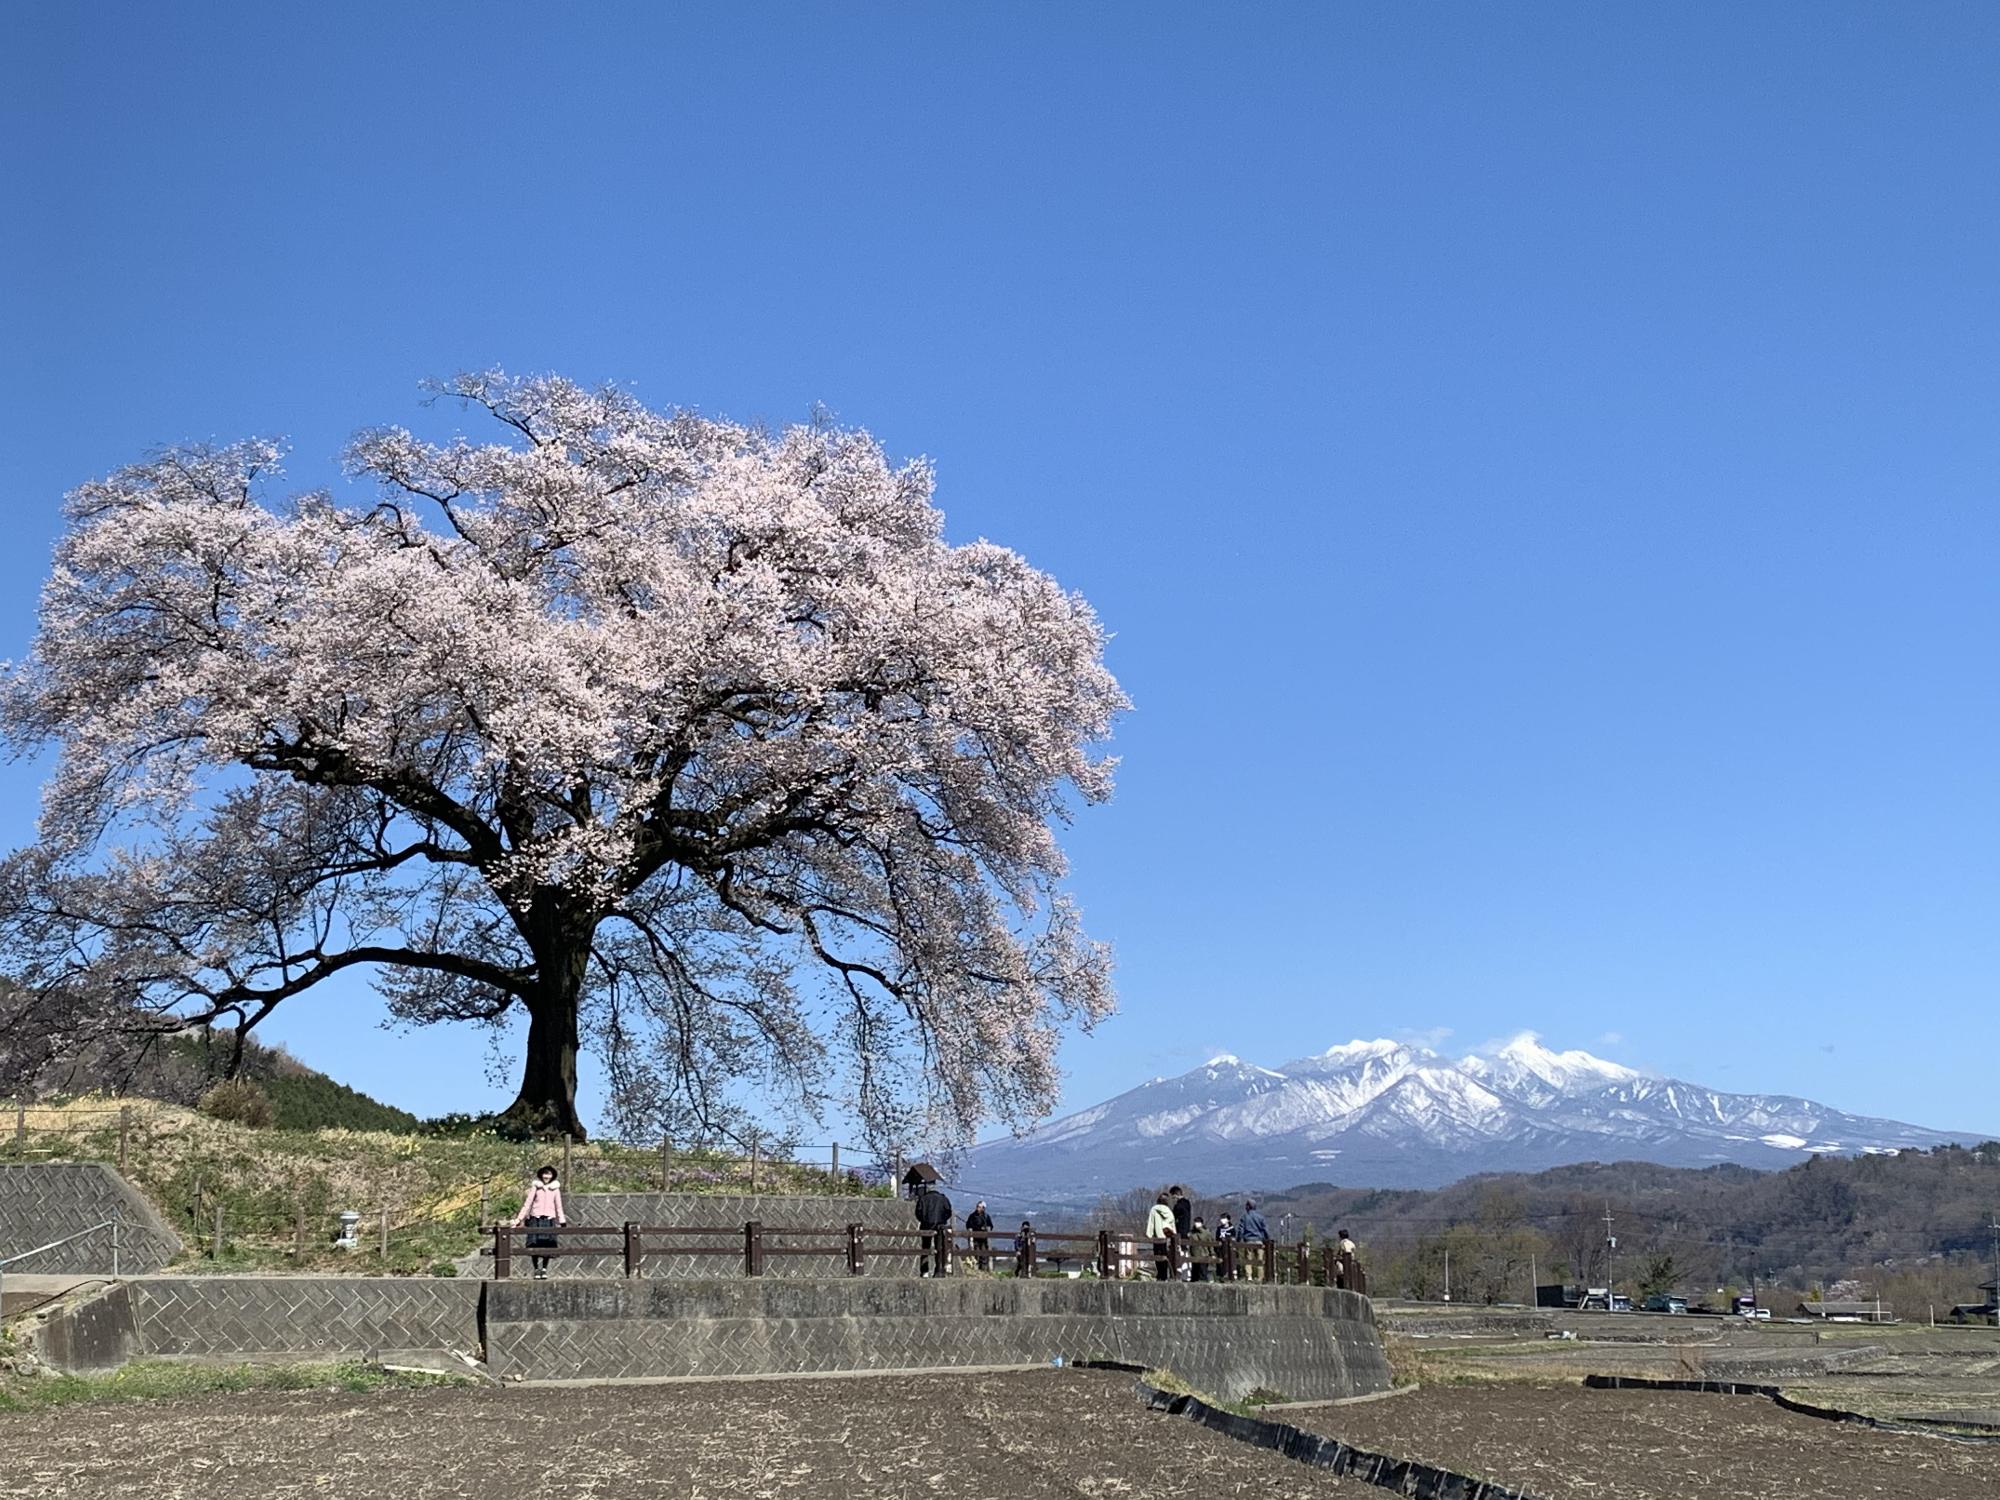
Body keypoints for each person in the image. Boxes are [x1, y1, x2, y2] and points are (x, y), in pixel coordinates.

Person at [511, 1164, 567, 1280]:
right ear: (541, 1175)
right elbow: (527, 1204)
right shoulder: (536, 1187)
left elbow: (559, 1206)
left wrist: (562, 1220)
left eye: (549, 1174)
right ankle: (536, 1268)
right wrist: (519, 1219)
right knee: (534, 1244)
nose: (547, 1176)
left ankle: (544, 1269)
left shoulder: (555, 1189)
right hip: (535, 1218)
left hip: (549, 1219)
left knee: (548, 1245)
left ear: (552, 1176)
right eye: (545, 1173)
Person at [914, 1180, 954, 1276]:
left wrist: (924, 1220)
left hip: (926, 1226)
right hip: (940, 1227)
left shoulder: (923, 1199)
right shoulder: (943, 1199)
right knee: (940, 1248)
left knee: (925, 1248)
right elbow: (948, 1212)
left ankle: (924, 1271)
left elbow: (918, 1213)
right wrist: (942, 1220)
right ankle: (939, 1270)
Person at [1144, 1193, 1176, 1282]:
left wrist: (1149, 1234)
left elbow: (1151, 1222)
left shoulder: (1154, 1209)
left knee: (1157, 1256)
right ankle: (1165, 1275)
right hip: (1166, 1237)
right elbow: (1172, 1222)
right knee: (1165, 1255)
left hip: (1157, 1237)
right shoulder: (1168, 1211)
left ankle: (1160, 1275)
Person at [1237, 1199, 1270, 1279]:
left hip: (1248, 1240)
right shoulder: (1260, 1217)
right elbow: (1265, 1229)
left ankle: (1249, 1277)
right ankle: (1260, 1277)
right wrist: (1267, 1238)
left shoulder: (1244, 1217)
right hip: (1259, 1240)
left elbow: (1241, 1230)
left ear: (1248, 1206)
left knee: (1248, 1260)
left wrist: (1238, 1240)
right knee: (1260, 1260)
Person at [966, 1199, 994, 1271]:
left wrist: (986, 1228)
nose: (978, 1208)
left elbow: (990, 1226)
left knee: (984, 1252)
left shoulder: (986, 1216)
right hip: (975, 1237)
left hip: (984, 1238)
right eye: (977, 1206)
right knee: (976, 1252)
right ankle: (976, 1267)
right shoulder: (972, 1216)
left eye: (979, 1207)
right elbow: (968, 1225)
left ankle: (984, 1268)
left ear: (983, 1208)